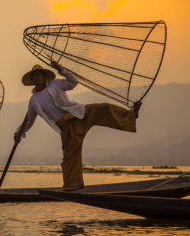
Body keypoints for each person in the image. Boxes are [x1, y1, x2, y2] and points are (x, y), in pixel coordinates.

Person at [14, 62, 141, 191]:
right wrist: (19, 132)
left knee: (104, 108)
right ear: (32, 80)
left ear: (44, 76)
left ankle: (130, 115)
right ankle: (72, 186)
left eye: (39, 74)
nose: (37, 77)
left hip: (78, 113)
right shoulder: (34, 101)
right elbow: (29, 120)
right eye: (34, 76)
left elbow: (73, 82)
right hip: (65, 126)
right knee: (69, 156)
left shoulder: (55, 84)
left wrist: (61, 70)